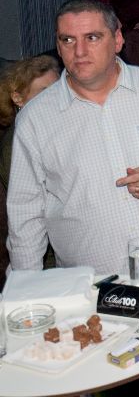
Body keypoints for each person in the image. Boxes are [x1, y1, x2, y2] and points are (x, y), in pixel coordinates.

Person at [7, 0, 139, 395]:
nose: (79, 51)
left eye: (92, 37)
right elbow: (25, 213)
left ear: (118, 39)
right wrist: (28, 297)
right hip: (96, 296)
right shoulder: (37, 119)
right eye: (67, 40)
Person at [0, 55, 59, 285]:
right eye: (44, 92)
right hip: (45, 263)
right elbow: (28, 215)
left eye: (57, 91)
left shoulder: (52, 132)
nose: (53, 100)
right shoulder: (15, 144)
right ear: (18, 98)